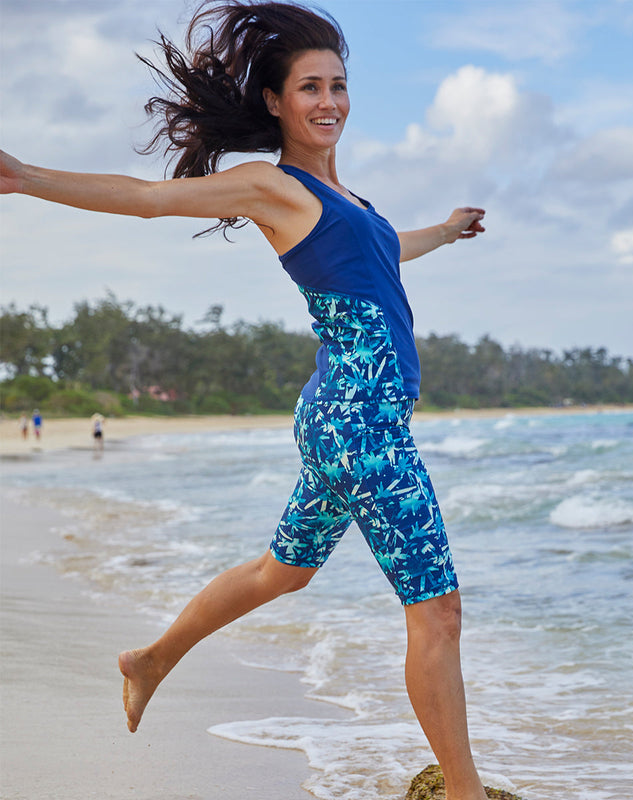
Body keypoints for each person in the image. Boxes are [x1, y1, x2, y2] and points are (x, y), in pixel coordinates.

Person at [0, 3, 487, 798]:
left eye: (337, 85)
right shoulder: (272, 185)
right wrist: (29, 178)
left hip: (341, 420)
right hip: (360, 424)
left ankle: (150, 659)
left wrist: (444, 229)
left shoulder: (349, 204)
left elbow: (381, 254)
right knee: (438, 616)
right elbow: (150, 199)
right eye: (308, 88)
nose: (328, 101)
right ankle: (466, 793)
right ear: (275, 102)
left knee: (279, 571)